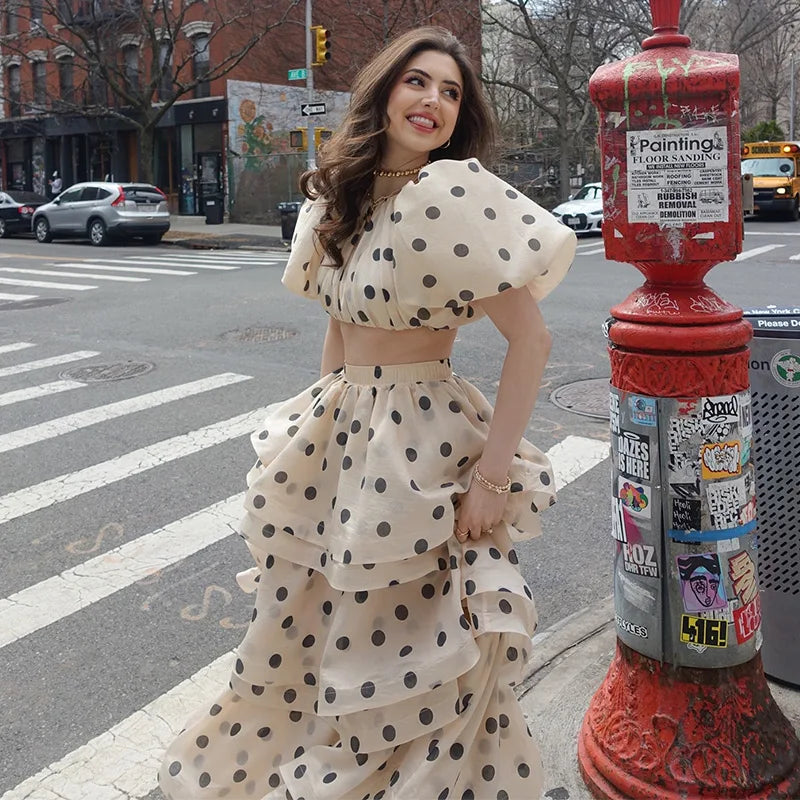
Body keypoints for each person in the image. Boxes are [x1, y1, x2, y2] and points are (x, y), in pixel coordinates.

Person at [159, 26, 576, 800]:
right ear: (385, 91)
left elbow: (534, 339)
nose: (434, 102)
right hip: (345, 435)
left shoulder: (453, 197)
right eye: (419, 82)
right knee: (318, 631)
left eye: (452, 92)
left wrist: (492, 478)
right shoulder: (341, 197)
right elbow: (337, 328)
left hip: (421, 447)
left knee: (421, 645)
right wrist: (314, 444)